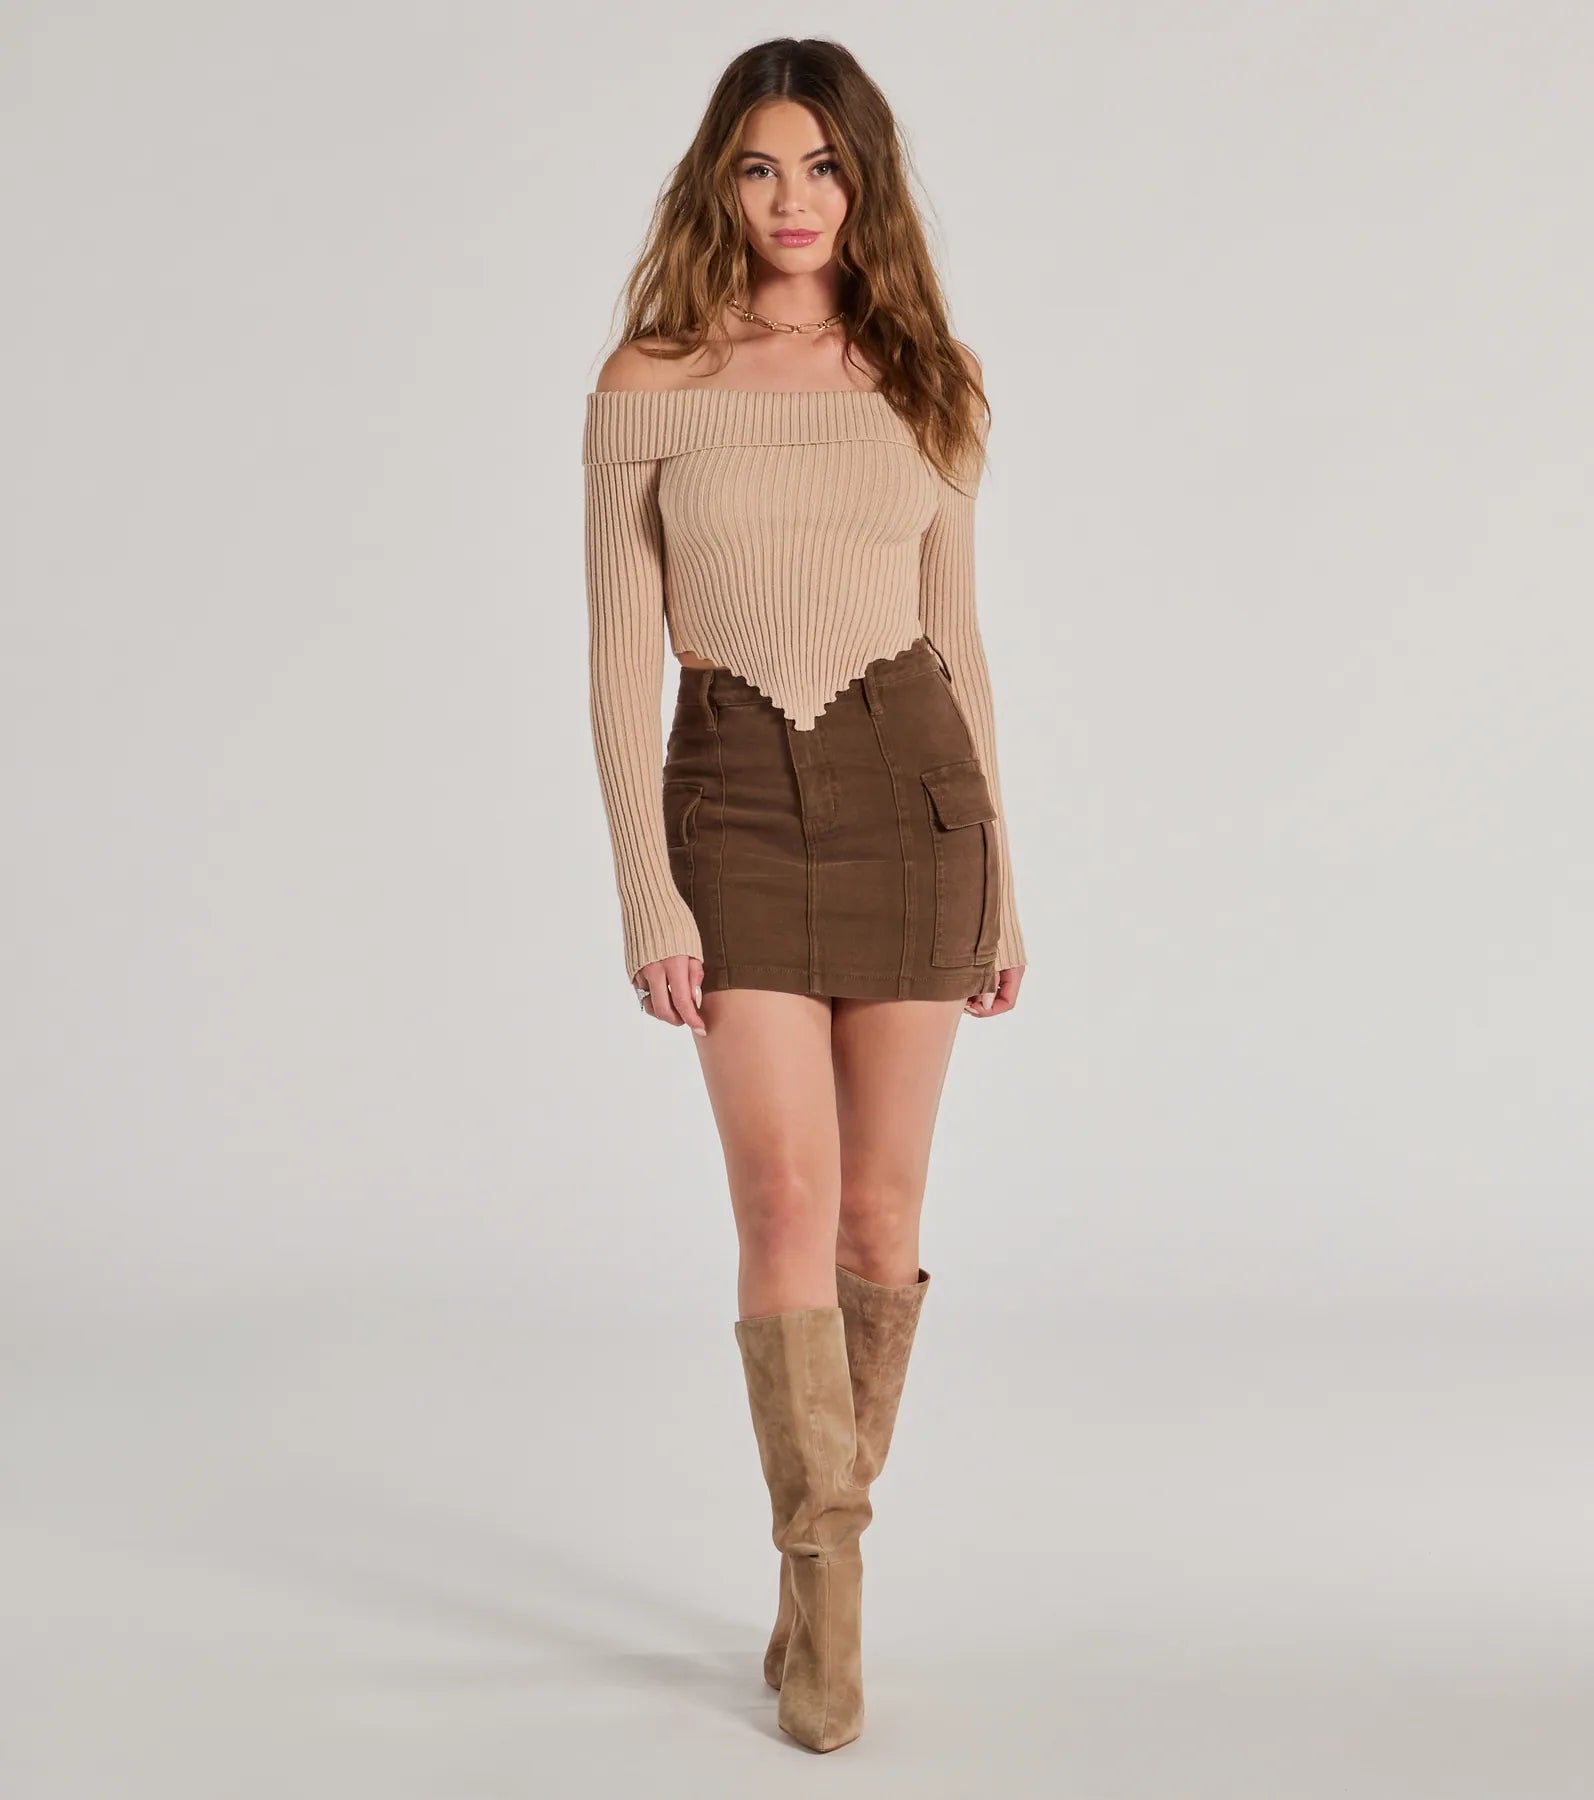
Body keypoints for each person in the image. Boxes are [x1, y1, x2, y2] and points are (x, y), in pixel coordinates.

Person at [581, 37, 1027, 1753]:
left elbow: (958, 640)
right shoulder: (651, 379)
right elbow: (618, 658)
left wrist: (1006, 886)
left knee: (878, 1224)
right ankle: (828, 1615)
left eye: (824, 167)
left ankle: (811, 1575)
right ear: (720, 179)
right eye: (761, 166)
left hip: (916, 796)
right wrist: (649, 893)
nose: (792, 200)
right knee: (783, 1194)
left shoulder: (930, 377)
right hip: (735, 802)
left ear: (865, 184)